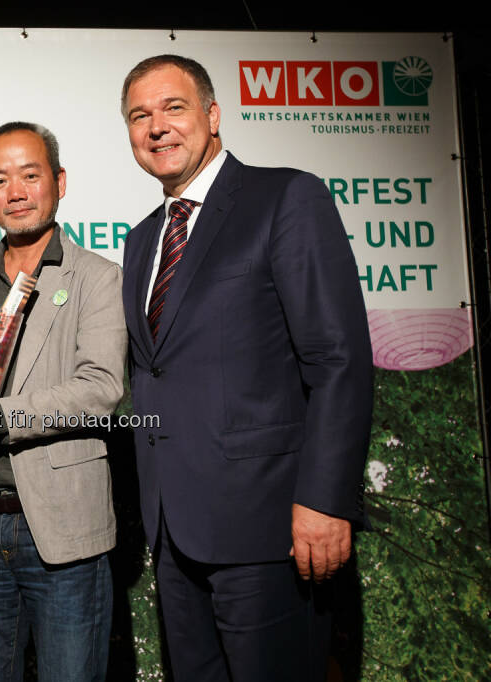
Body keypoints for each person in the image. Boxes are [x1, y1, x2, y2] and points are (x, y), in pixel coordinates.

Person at [120, 54, 373, 681]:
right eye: (139, 116)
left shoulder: (285, 196)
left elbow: (338, 359)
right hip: (174, 532)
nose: (156, 127)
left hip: (271, 529)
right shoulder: (141, 239)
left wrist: (325, 499)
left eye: (173, 108)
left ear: (212, 114)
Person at [0, 122, 126, 681]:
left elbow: (100, 389)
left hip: (62, 526)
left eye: (30, 175)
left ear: (59, 182)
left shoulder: (96, 278)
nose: (15, 191)